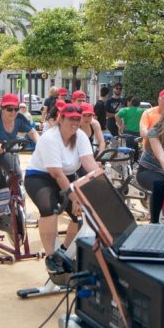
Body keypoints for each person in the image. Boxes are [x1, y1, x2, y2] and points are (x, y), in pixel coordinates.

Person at [24, 103, 99, 280]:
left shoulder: (80, 136)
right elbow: (56, 173)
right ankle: (51, 257)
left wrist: (101, 180)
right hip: (40, 177)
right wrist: (74, 198)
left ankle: (63, 251)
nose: (74, 123)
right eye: (70, 118)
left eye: (77, 119)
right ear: (61, 118)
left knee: (81, 215)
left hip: (66, 177)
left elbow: (89, 162)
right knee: (49, 208)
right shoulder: (50, 138)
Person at [0, 93, 40, 189]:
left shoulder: (20, 118)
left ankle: (17, 200)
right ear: (2, 108)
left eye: (16, 109)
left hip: (5, 150)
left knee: (17, 177)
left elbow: (33, 133)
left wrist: (40, 146)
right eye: (9, 109)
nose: (13, 112)